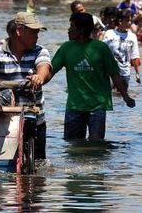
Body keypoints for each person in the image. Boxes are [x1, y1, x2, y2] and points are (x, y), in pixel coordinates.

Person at [50, 12, 136, 141]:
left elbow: (114, 74)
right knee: (73, 145)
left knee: (96, 144)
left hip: (97, 106)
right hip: (74, 106)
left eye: (72, 27)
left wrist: (125, 96)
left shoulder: (101, 49)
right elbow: (50, 71)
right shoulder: (65, 48)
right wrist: (37, 80)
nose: (69, 30)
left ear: (82, 30)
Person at [0, 12, 51, 159]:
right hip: (6, 122)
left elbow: (44, 66)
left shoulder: (39, 51)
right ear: (19, 31)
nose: (37, 37)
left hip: (35, 120)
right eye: (33, 32)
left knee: (38, 165)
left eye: (37, 33)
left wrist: (39, 77)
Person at [103, 9, 141, 91]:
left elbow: (134, 56)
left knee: (122, 97)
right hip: (110, 72)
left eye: (131, 20)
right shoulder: (109, 34)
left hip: (125, 73)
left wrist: (137, 73)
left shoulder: (132, 37)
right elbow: (101, 52)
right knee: (110, 94)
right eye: (127, 20)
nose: (130, 23)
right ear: (120, 21)